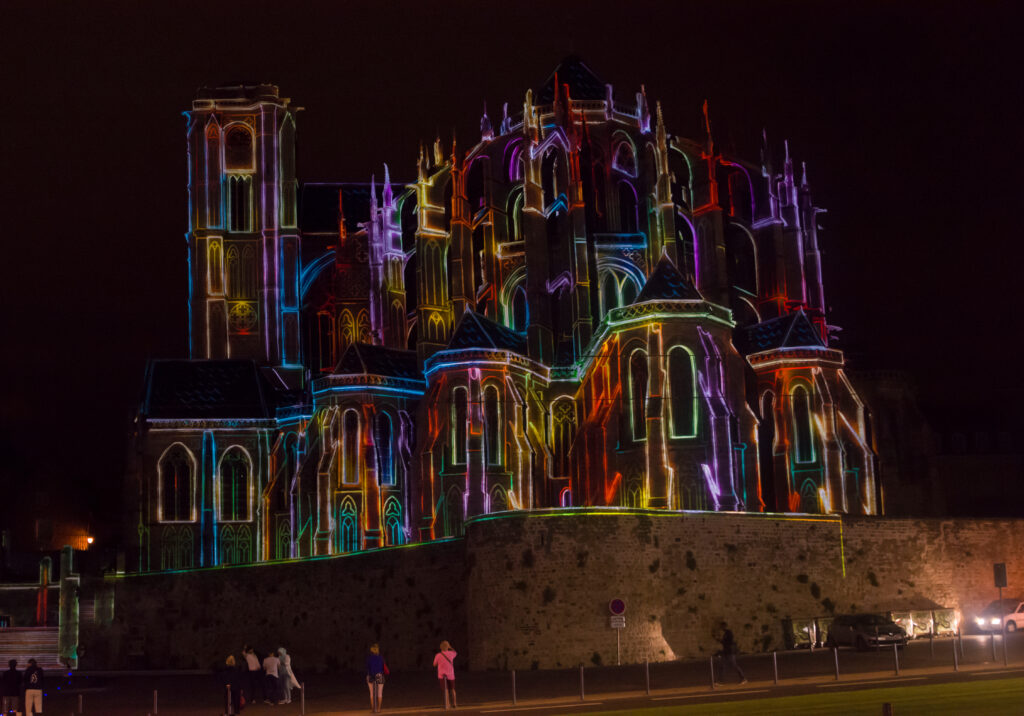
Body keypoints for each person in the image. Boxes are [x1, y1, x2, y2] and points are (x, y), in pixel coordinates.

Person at [432, 640, 457, 709]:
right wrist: (450, 647)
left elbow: (434, 664)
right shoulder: (451, 653)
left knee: (445, 690)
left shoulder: (438, 655)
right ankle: (454, 703)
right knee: (452, 689)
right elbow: (455, 652)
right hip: (451, 675)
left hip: (442, 675)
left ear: (440, 647)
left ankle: (447, 704)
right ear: (447, 647)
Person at [365, 643, 387, 713]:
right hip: (379, 676)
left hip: (371, 676)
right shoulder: (381, 657)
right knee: (380, 693)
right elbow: (382, 667)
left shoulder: (369, 658)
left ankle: (373, 709)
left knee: (371, 693)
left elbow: (367, 668)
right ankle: (379, 709)